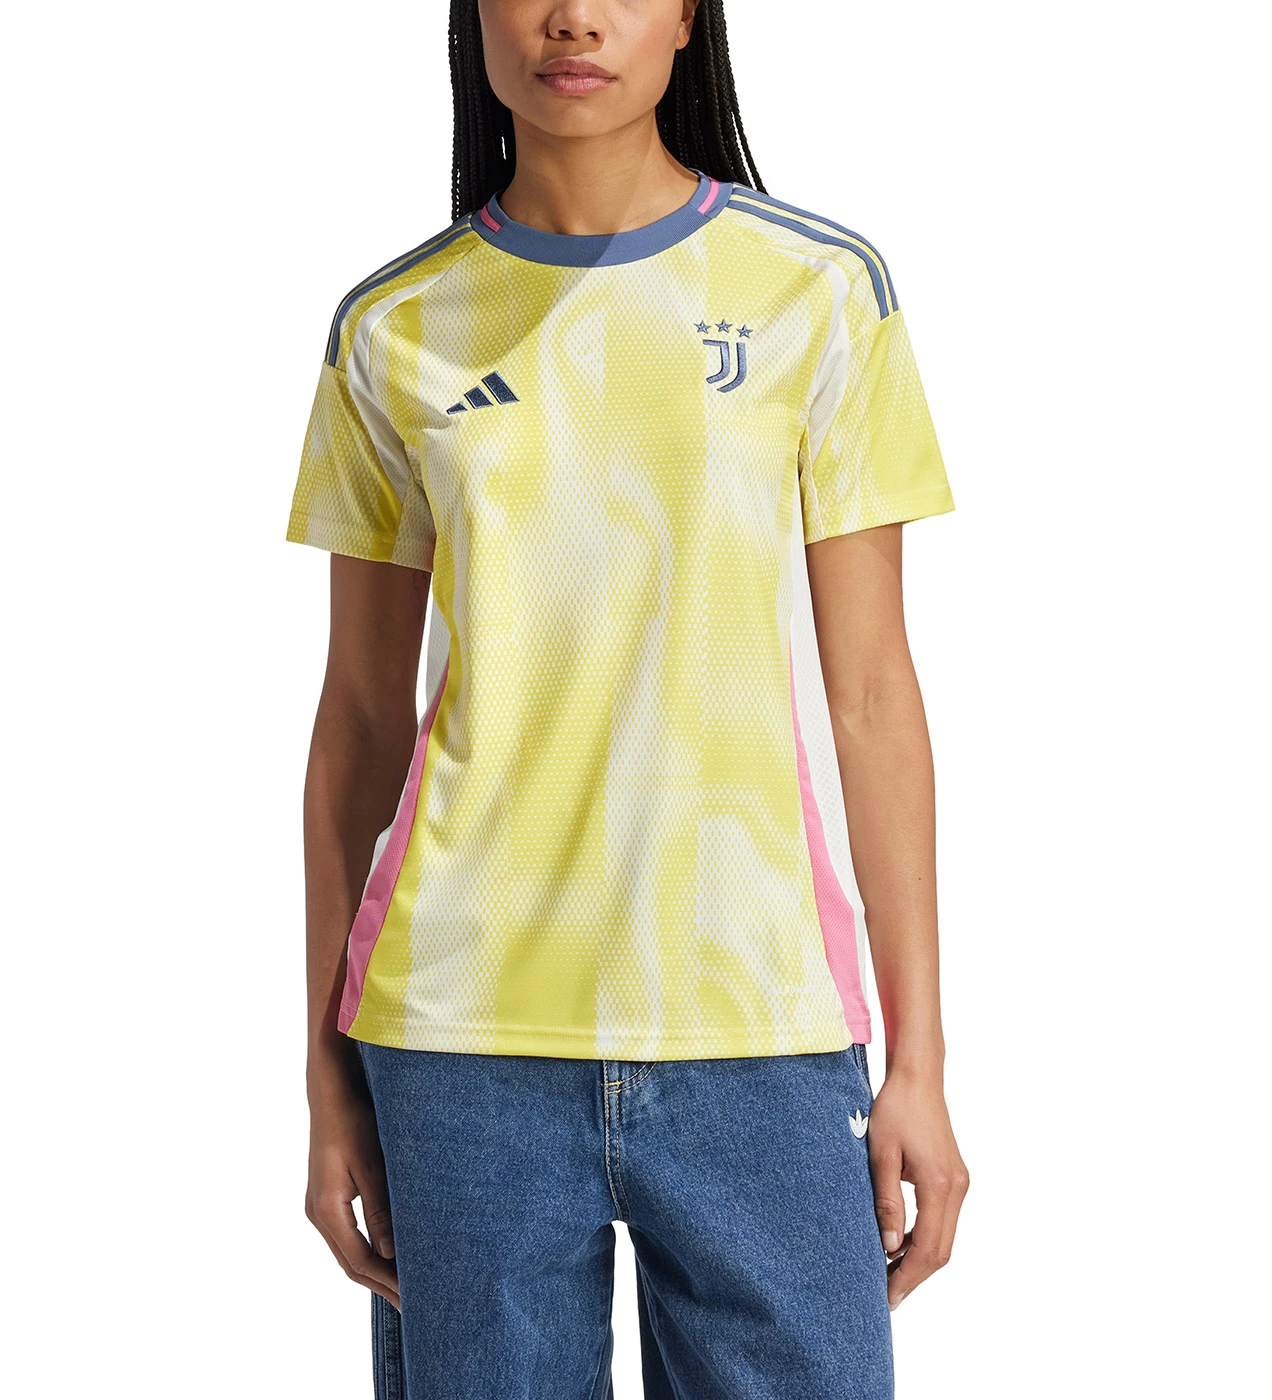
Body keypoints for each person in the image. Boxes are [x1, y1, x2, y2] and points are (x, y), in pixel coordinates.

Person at [286, 2, 969, 1395]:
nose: (574, 18)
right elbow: (355, 720)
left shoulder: (818, 292)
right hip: (457, 1031)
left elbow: (873, 696)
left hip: (759, 1016)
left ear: (689, 16)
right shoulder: (393, 327)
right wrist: (324, 1080)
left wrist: (922, 1063)